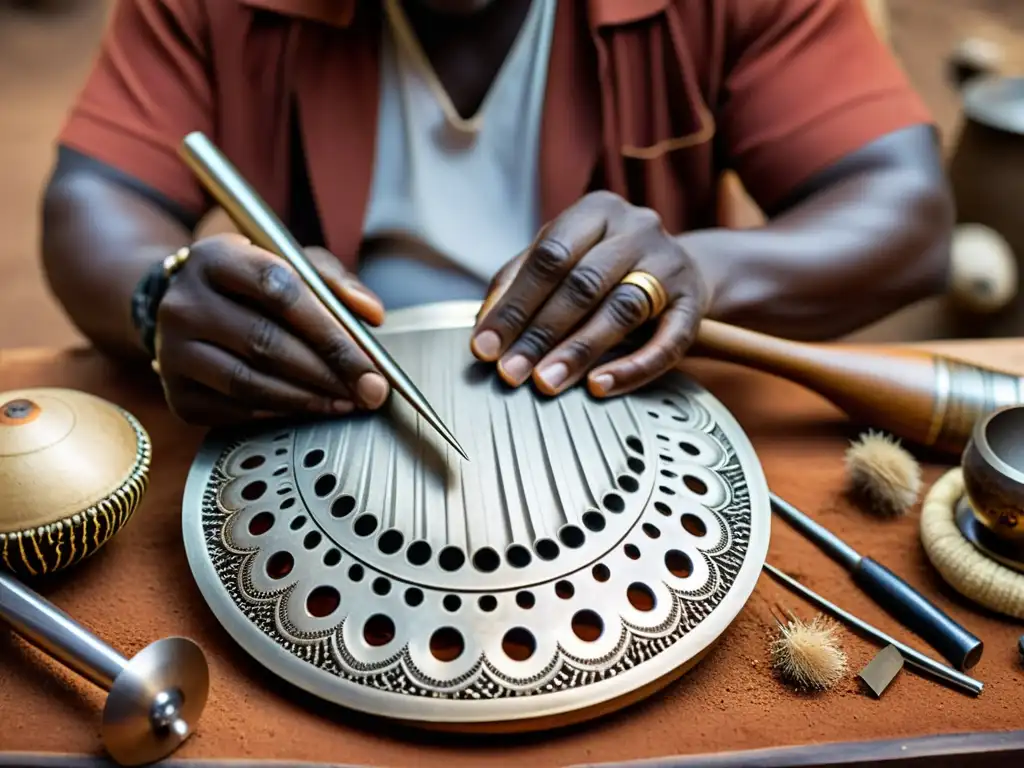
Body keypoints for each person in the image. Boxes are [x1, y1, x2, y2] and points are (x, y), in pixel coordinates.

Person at [41, 0, 953, 426]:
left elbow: (905, 210)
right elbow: (94, 199)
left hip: (619, 415)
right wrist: (159, 301)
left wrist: (695, 273)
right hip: (320, 419)